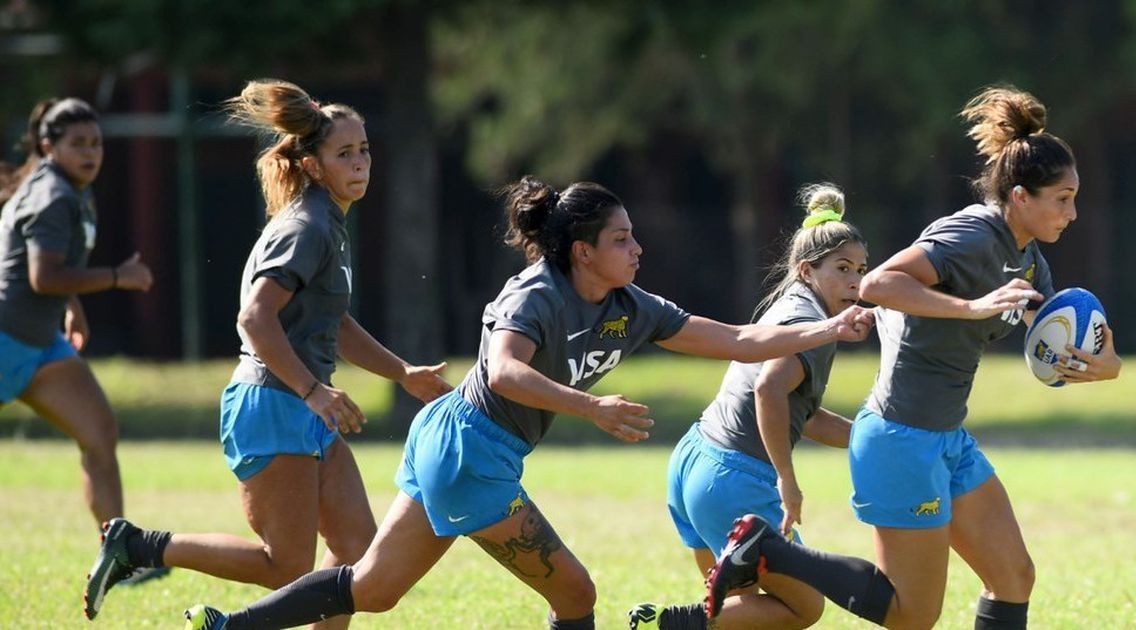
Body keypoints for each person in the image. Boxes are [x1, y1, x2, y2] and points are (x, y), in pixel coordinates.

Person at [181, 174, 875, 630]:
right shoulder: (535, 293)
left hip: (463, 446)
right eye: (621, 239)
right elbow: (506, 372)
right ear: (581, 251)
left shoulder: (631, 306)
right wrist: (591, 407)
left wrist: (829, 326)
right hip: (469, 450)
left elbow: (737, 337)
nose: (638, 247)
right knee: (575, 596)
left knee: (375, 588)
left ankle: (228, 627)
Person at [704, 85, 1123, 630]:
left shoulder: (1029, 263)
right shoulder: (971, 232)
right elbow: (879, 282)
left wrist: (1103, 364)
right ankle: (769, 551)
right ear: (1020, 196)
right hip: (900, 438)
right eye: (1062, 198)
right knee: (911, 616)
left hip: (947, 438)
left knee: (1014, 576)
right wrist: (971, 306)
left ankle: (765, 551)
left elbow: (1048, 335)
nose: (1072, 212)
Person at [81, 79, 452, 625]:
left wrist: (403, 373)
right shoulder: (307, 226)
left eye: (364, 150)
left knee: (357, 551)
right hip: (272, 405)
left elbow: (334, 321)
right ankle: (138, 545)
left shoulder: (329, 223)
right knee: (285, 567)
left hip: (303, 408)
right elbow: (254, 319)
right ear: (312, 164)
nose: (360, 163)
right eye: (344, 153)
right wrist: (313, 390)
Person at [630, 183, 871, 630]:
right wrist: (787, 481)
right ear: (806, 271)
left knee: (743, 616)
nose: (856, 281)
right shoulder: (815, 326)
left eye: (860, 269)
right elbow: (768, 391)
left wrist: (869, 438)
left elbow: (803, 415)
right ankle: (665, 625)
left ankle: (665, 624)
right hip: (733, 480)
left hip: (694, 461)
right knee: (805, 606)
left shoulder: (790, 307)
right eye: (842, 268)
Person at [0, 98, 154, 526]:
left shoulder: (71, 190)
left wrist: (74, 308)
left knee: (99, 434)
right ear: (49, 147)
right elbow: (44, 278)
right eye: (78, 144)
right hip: (6, 338)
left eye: (96, 144)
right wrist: (118, 276)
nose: (90, 154)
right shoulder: (52, 195)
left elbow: (55, 269)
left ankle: (119, 554)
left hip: (42, 345)